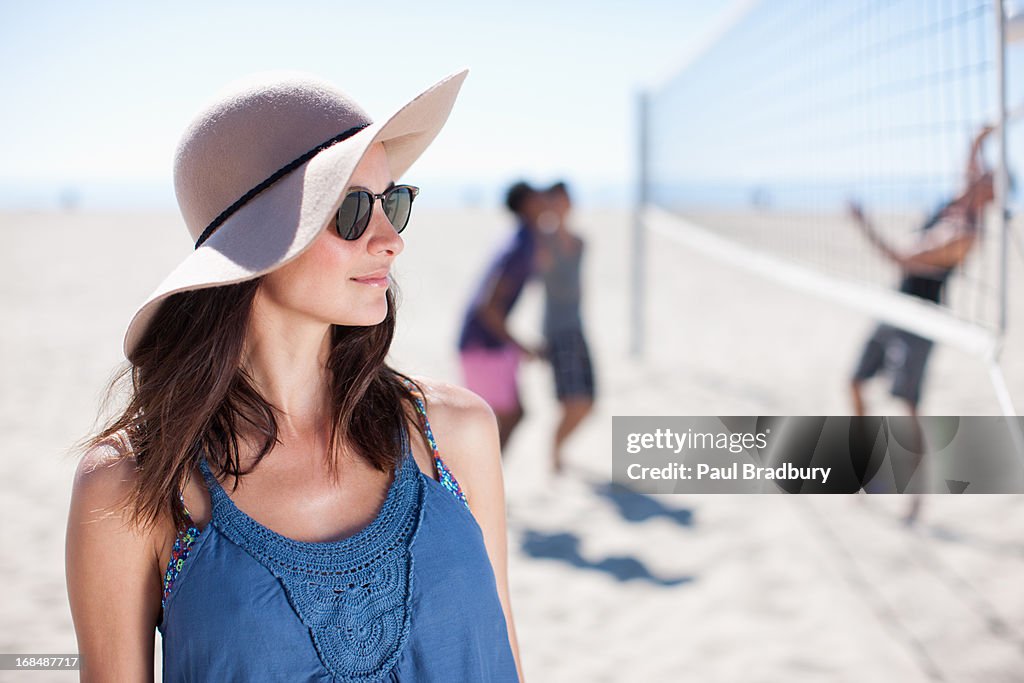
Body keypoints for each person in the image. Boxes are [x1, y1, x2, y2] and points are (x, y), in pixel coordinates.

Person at [65, 70, 523, 682]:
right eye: (354, 209)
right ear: (259, 241)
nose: (391, 240)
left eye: (396, 202)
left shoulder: (456, 436)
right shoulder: (135, 487)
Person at [847, 124, 996, 523]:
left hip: (922, 319)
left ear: (990, 195)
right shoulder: (958, 202)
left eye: (985, 179)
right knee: (855, 381)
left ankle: (915, 496)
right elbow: (975, 144)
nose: (977, 174)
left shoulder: (963, 231)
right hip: (895, 307)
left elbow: (901, 257)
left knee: (907, 407)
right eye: (980, 172)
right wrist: (993, 126)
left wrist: (862, 222)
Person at [457, 181, 545, 449]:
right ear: (526, 204)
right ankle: (482, 484)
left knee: (508, 416)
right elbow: (489, 307)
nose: (544, 201)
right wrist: (521, 344)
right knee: (502, 418)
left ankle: (485, 483)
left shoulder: (524, 237)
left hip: (484, 341)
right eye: (538, 197)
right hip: (482, 344)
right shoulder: (518, 245)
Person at [535, 181, 595, 474]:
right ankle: (554, 454)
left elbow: (575, 289)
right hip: (556, 331)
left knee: (589, 401)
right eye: (555, 201)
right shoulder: (541, 242)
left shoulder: (581, 242)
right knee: (572, 400)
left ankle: (558, 451)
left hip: (577, 328)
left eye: (564, 201)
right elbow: (552, 287)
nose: (561, 206)